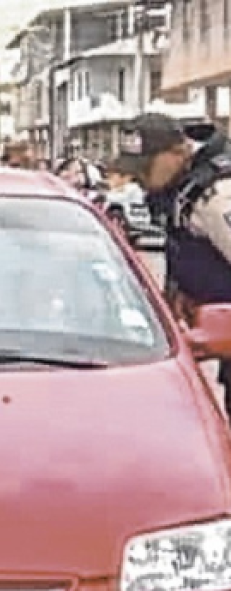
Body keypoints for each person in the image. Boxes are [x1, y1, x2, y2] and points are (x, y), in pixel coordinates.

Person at [119, 113, 231, 412]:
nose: (140, 179)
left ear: (178, 152)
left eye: (145, 167)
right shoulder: (182, 188)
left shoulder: (216, 195)